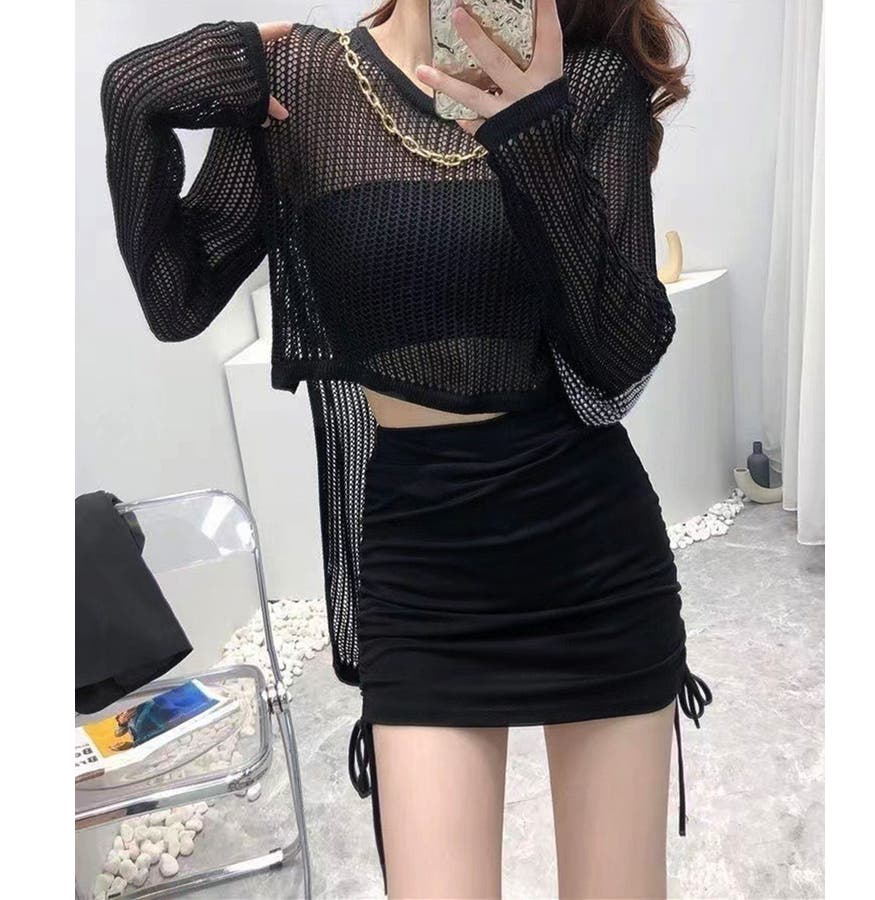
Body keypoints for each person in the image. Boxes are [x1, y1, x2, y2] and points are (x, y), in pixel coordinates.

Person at [99, 0, 712, 895]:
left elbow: (620, 354)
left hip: (593, 562)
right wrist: (137, 93)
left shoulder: (587, 83)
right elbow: (176, 297)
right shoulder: (307, 83)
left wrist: (536, 134)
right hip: (424, 580)